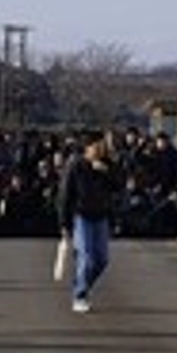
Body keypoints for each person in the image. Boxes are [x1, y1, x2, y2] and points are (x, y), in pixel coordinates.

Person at [58, 132, 117, 314]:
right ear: (87, 147)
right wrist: (64, 223)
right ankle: (80, 295)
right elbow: (65, 195)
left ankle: (82, 284)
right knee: (86, 255)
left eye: (102, 146)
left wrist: (107, 172)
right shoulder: (75, 165)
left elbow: (119, 185)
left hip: (101, 215)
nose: (100, 150)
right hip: (81, 216)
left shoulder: (107, 164)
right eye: (96, 146)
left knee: (101, 259)